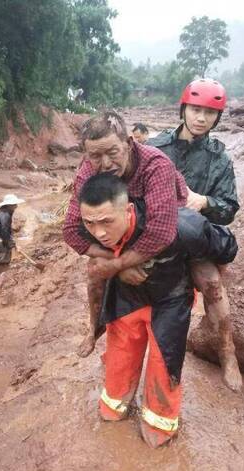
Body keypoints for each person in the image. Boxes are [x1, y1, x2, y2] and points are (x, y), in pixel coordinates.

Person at [78, 173, 238, 448]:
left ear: (128, 211)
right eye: (90, 223)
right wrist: (94, 327)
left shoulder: (184, 226)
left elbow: (226, 247)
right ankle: (116, 397)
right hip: (127, 300)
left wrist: (208, 267)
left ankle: (227, 352)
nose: (99, 232)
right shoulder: (88, 227)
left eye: (107, 222)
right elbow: (94, 271)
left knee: (164, 369)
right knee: (115, 383)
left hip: (170, 300)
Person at [62, 111, 189, 358]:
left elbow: (161, 233)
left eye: (112, 152)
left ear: (129, 144)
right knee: (94, 272)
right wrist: (117, 266)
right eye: (96, 156)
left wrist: (117, 263)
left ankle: (226, 348)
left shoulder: (156, 165)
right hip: (121, 227)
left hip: (173, 224)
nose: (105, 164)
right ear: (87, 155)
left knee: (208, 278)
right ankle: (94, 327)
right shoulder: (88, 170)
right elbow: (70, 230)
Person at [147, 78, 242, 391]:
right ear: (183, 109)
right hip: (157, 236)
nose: (201, 118)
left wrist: (204, 202)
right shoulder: (155, 148)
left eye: (210, 113)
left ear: (218, 117)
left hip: (195, 239)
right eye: (196, 109)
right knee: (121, 277)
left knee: (212, 283)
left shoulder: (219, 158)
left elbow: (229, 209)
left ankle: (228, 354)